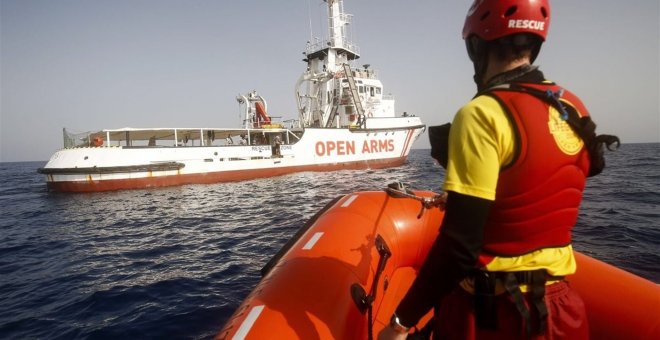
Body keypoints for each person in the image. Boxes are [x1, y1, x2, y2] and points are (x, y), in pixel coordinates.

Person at [379, 0, 617, 339]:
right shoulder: (571, 107)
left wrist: (401, 322)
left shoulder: (481, 113)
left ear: (476, 46)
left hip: (495, 315)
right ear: (535, 45)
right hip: (560, 311)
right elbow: (572, 171)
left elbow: (459, 248)